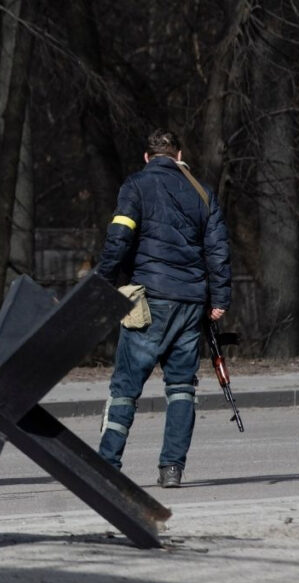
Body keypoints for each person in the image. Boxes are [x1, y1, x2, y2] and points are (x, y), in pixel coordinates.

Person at [95, 129, 232, 488]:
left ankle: (107, 464)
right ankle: (172, 469)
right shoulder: (202, 192)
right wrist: (219, 299)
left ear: (146, 157)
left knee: (125, 387)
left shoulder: (135, 185)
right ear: (179, 155)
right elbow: (217, 251)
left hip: (149, 298)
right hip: (190, 303)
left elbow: (119, 237)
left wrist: (101, 280)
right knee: (182, 387)